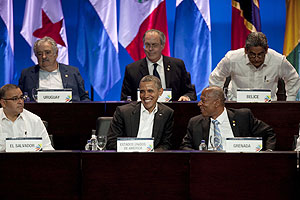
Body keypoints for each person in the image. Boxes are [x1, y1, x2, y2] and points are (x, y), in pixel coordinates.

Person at [209, 32, 300, 101]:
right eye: (252, 55)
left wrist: (290, 101)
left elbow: (293, 78)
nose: (256, 59)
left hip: (268, 107)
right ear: (246, 51)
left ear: (266, 50)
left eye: (260, 54)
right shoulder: (232, 58)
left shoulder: (278, 60)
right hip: (236, 106)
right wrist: (219, 101)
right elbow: (216, 77)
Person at [180, 86, 276, 151]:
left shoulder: (242, 117)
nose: (199, 104)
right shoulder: (195, 122)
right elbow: (185, 147)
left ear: (216, 103)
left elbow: (269, 133)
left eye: (203, 101)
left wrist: (268, 152)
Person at [121, 29, 196, 102]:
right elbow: (125, 98)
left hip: (173, 112)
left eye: (154, 45)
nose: (150, 49)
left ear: (162, 46)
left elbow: (190, 92)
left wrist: (186, 97)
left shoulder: (177, 65)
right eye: (147, 45)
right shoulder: (132, 69)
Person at [107, 75, 174, 150]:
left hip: (152, 159)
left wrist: (151, 154)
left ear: (160, 92)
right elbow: (111, 142)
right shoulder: (123, 112)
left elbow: (166, 144)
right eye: (142, 92)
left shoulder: (167, 113)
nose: (146, 95)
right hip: (127, 158)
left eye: (150, 91)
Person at [18, 36, 90, 102]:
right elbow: (19, 99)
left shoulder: (72, 72)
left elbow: (84, 98)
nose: (44, 56)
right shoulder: (27, 74)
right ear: (36, 56)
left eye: (47, 52)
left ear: (56, 53)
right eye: (40, 54)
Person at [0, 84, 54, 151]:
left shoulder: (34, 120)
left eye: (22, 97)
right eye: (15, 99)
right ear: (3, 103)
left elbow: (47, 148)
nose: (21, 102)